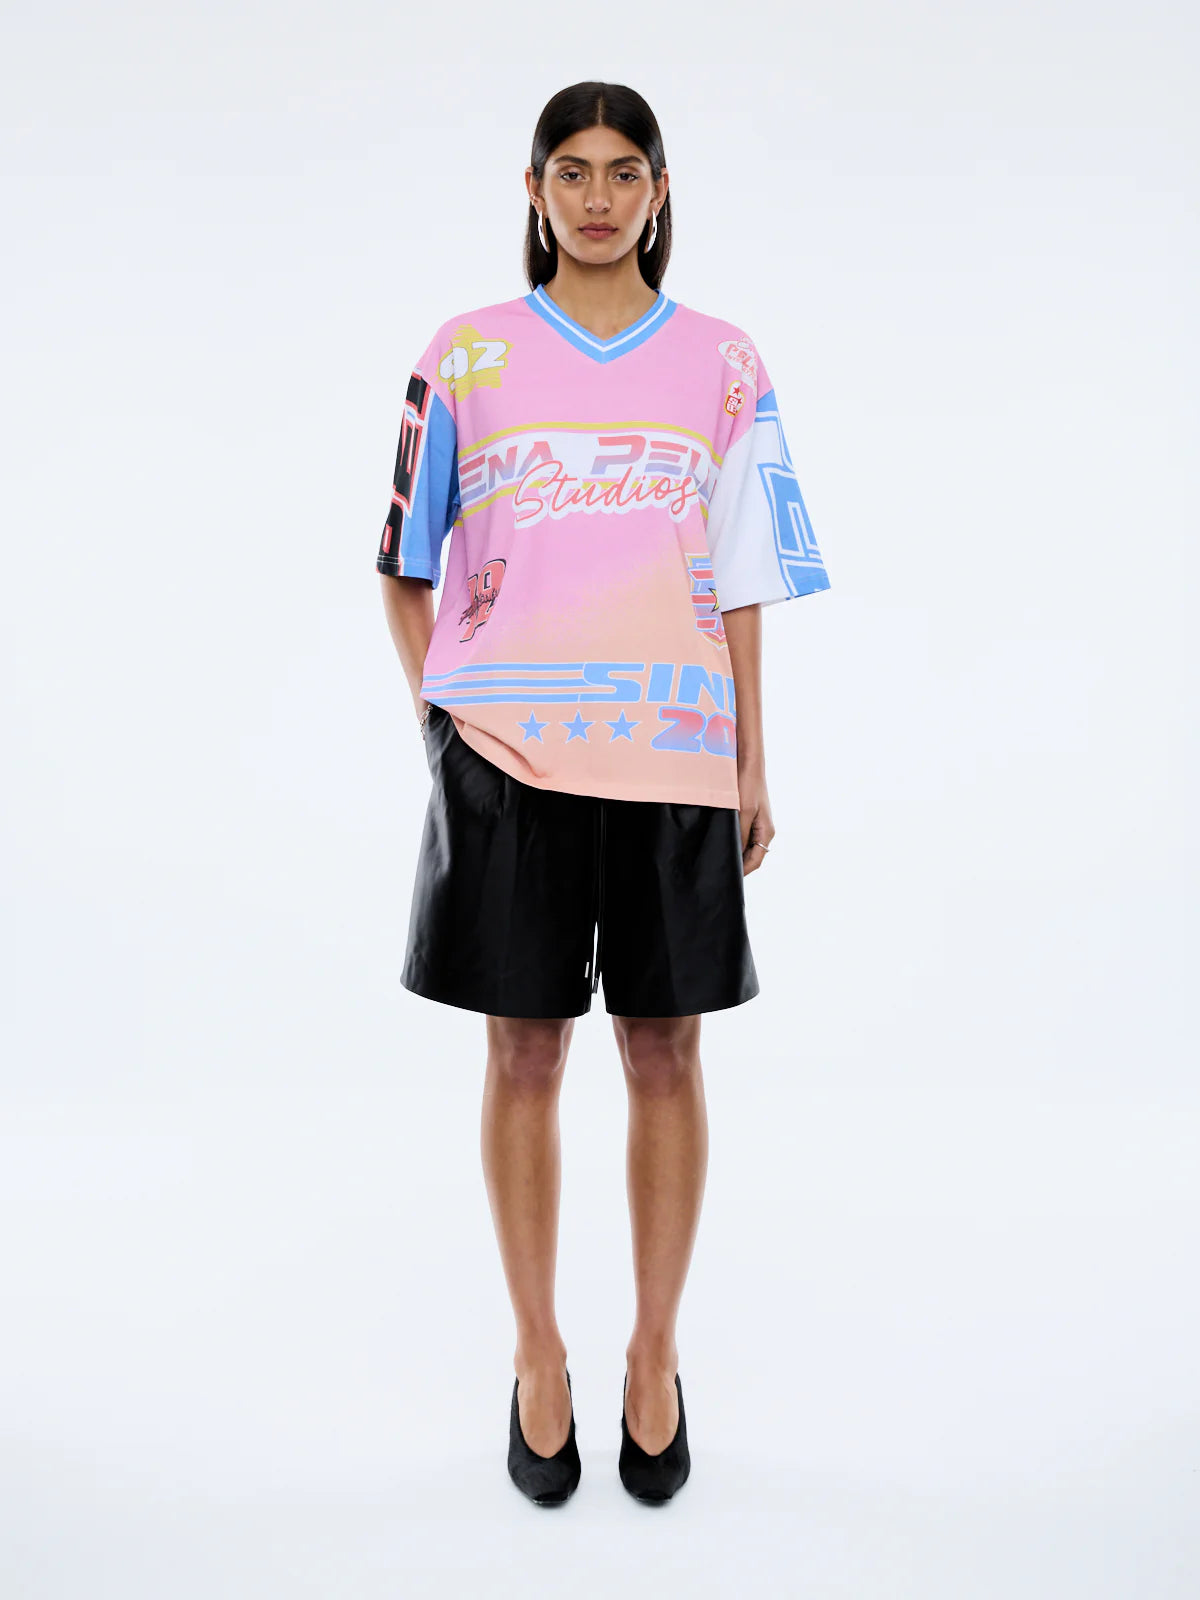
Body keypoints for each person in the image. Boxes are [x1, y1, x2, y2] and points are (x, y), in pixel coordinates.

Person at [376, 81, 831, 1506]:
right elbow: (403, 559)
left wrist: (752, 755)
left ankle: (652, 1356)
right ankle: (537, 1356)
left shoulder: (723, 364)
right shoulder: (467, 354)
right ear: (532, 191)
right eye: (569, 172)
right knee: (521, 1056)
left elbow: (744, 573)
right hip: (506, 764)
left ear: (659, 189)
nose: (595, 197)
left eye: (622, 171)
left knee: (666, 1055)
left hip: (675, 756)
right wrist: (445, 722)